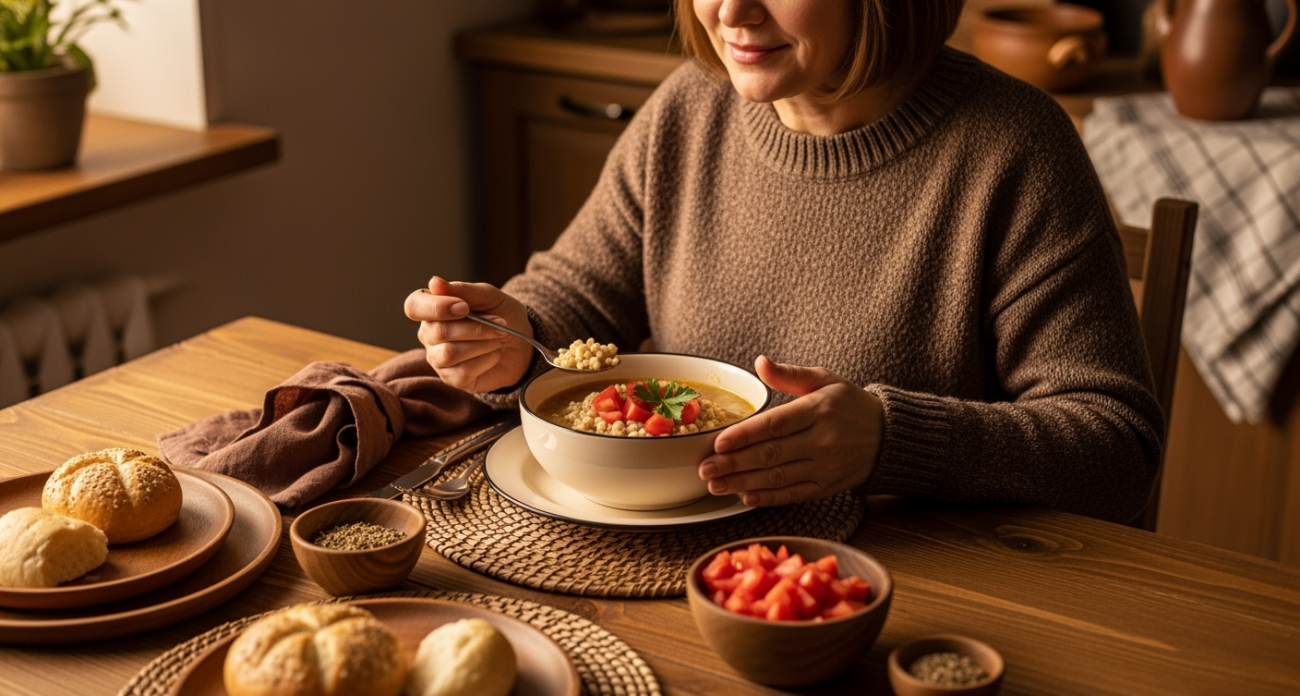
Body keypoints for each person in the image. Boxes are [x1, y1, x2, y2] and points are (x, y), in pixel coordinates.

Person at [404, 0, 1164, 524]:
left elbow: (1116, 448)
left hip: (906, 594)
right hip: (678, 567)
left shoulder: (1016, 149)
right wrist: (513, 332)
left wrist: (892, 443)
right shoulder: (687, 110)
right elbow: (579, 294)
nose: (731, 11)